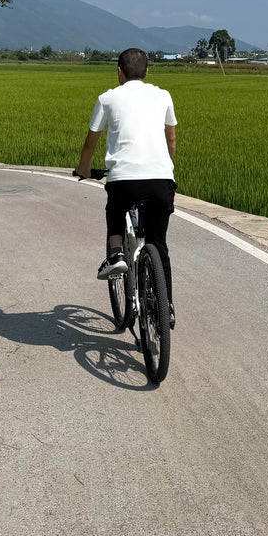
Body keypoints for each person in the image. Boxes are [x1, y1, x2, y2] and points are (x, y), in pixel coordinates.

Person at [73, 48, 178, 327]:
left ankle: (116, 254)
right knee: (158, 243)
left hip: (124, 181)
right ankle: (165, 307)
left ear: (119, 72)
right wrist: (163, 165)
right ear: (147, 72)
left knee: (115, 209)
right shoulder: (163, 95)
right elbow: (171, 139)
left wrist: (83, 168)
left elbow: (90, 141)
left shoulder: (108, 98)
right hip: (161, 179)